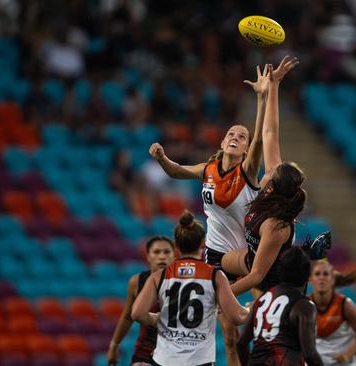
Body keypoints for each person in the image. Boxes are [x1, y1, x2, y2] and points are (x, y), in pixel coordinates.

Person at [147, 64, 269, 366]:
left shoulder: (248, 170)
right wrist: (162, 158)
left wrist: (263, 99)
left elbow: (260, 141)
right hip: (215, 255)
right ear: (222, 141)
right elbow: (177, 171)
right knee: (229, 334)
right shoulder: (209, 169)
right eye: (231, 133)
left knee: (265, 320)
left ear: (244, 149)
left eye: (241, 137)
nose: (236, 137)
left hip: (247, 253)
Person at [221, 56, 330, 296]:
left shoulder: (275, 226)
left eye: (273, 172)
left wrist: (218, 301)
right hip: (251, 258)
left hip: (272, 282)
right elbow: (269, 133)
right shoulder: (274, 180)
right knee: (214, 259)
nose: (270, 168)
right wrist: (274, 85)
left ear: (271, 188)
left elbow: (256, 277)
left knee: (244, 320)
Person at [131, 210, 248, 366]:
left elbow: (137, 313)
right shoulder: (215, 275)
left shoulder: (159, 276)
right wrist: (250, 309)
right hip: (199, 360)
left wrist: (156, 318)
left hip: (165, 360)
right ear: (203, 243)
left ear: (176, 246)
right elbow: (237, 317)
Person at [237, 247, 323, 366]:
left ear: (280, 272)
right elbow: (309, 354)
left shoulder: (262, 300)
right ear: (308, 276)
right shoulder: (304, 306)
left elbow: (241, 343)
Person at [106, 236, 176, 365]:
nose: (162, 256)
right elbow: (127, 317)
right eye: (156, 252)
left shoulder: (184, 283)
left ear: (174, 256)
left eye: (167, 252)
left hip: (175, 350)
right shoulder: (137, 282)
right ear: (148, 257)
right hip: (145, 350)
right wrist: (114, 345)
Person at [309, 260, 356, 366]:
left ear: (332, 280)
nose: (321, 277)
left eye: (326, 274)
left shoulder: (345, 304)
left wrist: (347, 355)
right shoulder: (305, 304)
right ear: (311, 279)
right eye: (317, 274)